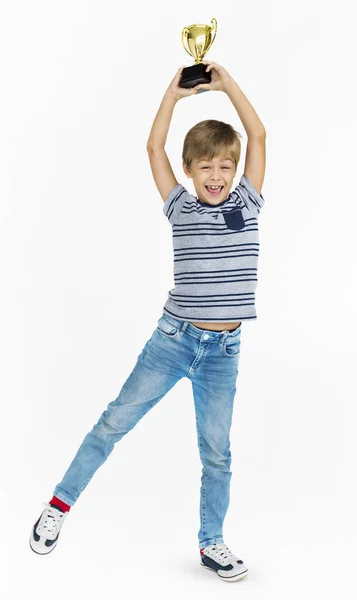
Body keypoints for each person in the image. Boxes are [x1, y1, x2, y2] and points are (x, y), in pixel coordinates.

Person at [30, 60, 266, 583]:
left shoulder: (249, 201)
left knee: (217, 454)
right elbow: (153, 148)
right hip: (173, 341)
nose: (216, 176)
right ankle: (59, 504)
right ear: (189, 171)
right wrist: (174, 94)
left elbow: (257, 132)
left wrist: (227, 86)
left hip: (223, 354)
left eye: (225, 167)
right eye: (205, 167)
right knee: (114, 421)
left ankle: (212, 543)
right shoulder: (180, 205)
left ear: (237, 169)